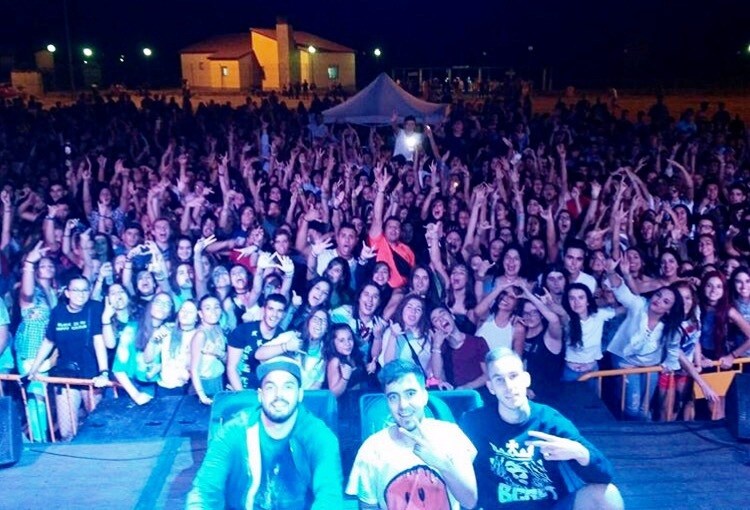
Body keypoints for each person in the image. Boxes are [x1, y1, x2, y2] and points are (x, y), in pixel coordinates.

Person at [460, 348, 623, 510]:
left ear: (526, 379)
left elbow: (605, 474)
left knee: (607, 495)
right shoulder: (474, 423)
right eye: (499, 380)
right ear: (491, 387)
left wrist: (579, 452)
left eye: (513, 376)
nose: (509, 386)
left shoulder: (549, 420)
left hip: (550, 507)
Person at [187, 357, 343, 509]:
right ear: (260, 395)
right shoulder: (233, 431)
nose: (278, 395)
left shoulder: (320, 437)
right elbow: (205, 490)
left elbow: (329, 496)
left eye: (288, 386)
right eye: (270, 387)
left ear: (300, 394)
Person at [346, 359, 478, 510]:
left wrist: (443, 464)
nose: (403, 405)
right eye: (393, 397)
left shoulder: (451, 436)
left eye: (410, 393)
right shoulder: (371, 449)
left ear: (424, 396)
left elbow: (470, 501)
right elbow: (368, 506)